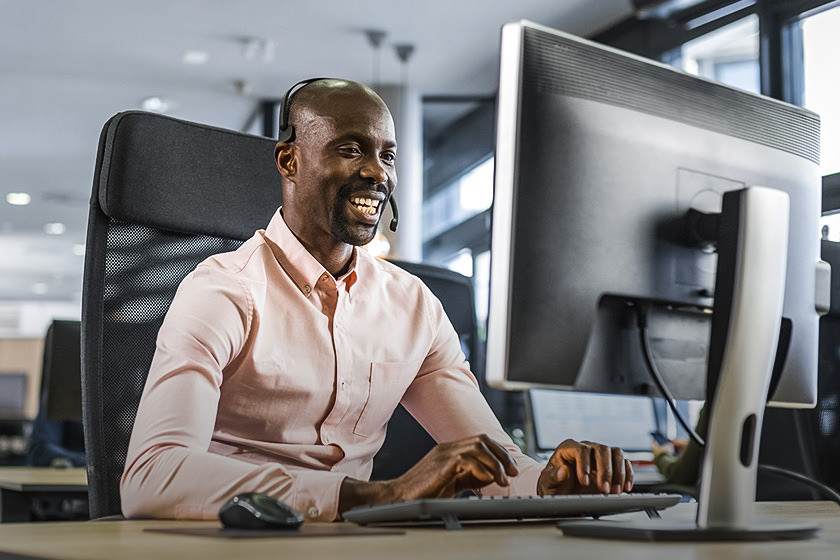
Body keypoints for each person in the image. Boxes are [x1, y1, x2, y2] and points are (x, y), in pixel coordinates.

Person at [121, 78, 633, 522]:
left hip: (357, 542)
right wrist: (377, 496)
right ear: (290, 160)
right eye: (350, 150)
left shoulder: (413, 306)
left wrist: (547, 483)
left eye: (386, 154)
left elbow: (496, 464)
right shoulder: (223, 290)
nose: (377, 173)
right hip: (232, 540)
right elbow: (152, 474)